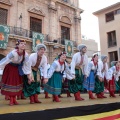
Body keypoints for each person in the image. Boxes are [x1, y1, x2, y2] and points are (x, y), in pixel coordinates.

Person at [0, 40, 31, 106]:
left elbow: (27, 64)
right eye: (21, 43)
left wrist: (29, 75)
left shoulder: (25, 54)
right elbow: (5, 61)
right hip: (10, 68)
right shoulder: (13, 53)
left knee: (16, 84)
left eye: (24, 44)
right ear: (18, 45)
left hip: (17, 69)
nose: (23, 45)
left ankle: (14, 99)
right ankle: (11, 100)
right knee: (11, 83)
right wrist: (1, 70)